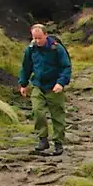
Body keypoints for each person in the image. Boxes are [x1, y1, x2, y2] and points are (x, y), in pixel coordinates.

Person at [17, 23, 72, 155]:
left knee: (57, 115)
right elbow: (26, 68)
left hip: (54, 87)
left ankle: (58, 143)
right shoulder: (30, 50)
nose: (37, 41)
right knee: (37, 111)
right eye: (34, 38)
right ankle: (43, 139)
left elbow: (66, 67)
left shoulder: (57, 49)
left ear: (46, 35)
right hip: (38, 85)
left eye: (39, 38)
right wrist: (23, 84)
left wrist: (61, 83)